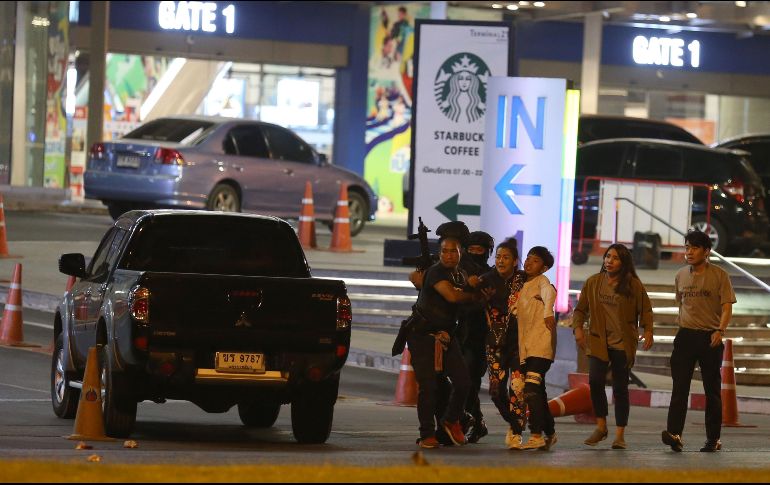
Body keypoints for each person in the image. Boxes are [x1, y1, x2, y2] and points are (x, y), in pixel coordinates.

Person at [572, 243, 654, 450]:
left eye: (615, 258)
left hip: (623, 344)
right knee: (596, 381)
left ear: (624, 262)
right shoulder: (593, 282)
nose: (609, 261)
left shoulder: (633, 285)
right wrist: (578, 329)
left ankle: (620, 435)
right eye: (607, 256)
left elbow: (646, 310)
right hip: (599, 341)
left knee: (620, 388)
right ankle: (601, 426)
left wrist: (649, 330)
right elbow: (580, 310)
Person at [662, 230, 735, 453]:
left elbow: (727, 306)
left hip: (710, 337)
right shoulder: (681, 275)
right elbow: (681, 304)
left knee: (711, 390)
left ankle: (713, 438)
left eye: (694, 248)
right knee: (679, 388)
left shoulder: (720, 275)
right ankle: (674, 434)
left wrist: (720, 331)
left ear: (706, 251)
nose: (689, 252)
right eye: (686, 247)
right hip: (685, 336)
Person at [406, 233, 478, 449]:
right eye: (444, 251)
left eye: (452, 251)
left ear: (460, 253)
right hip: (422, 335)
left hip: (447, 335)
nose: (448, 255)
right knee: (428, 387)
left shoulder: (460, 274)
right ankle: (427, 434)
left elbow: (466, 303)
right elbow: (453, 297)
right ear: (439, 254)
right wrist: (473, 292)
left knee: (463, 382)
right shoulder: (436, 271)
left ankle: (450, 419)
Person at [473, 237, 528, 449]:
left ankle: (516, 431)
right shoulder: (485, 280)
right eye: (498, 257)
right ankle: (514, 420)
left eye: (506, 257)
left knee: (517, 387)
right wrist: (480, 298)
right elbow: (471, 304)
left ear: (515, 261)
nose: (501, 261)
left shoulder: (523, 280)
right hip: (494, 344)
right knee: (496, 391)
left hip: (519, 343)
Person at [511, 246, 557, 450]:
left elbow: (550, 293)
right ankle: (550, 432)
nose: (529, 263)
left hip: (540, 346)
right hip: (527, 347)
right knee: (538, 391)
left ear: (544, 268)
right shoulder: (524, 286)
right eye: (528, 258)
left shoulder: (542, 282)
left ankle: (536, 434)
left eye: (535, 260)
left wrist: (548, 312)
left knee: (530, 388)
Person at [458, 231, 495, 443]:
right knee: (458, 382)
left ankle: (471, 420)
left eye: (478, 251)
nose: (473, 254)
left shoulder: (490, 277)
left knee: (469, 381)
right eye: (470, 250)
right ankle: (469, 420)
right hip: (457, 334)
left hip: (478, 339)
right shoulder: (458, 272)